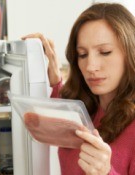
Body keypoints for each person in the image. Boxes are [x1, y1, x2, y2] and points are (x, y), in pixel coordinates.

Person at [22, 2, 135, 175]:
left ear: (130, 52)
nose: (90, 66)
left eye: (104, 52)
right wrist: (54, 79)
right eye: (82, 54)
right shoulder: (82, 109)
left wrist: (106, 172)